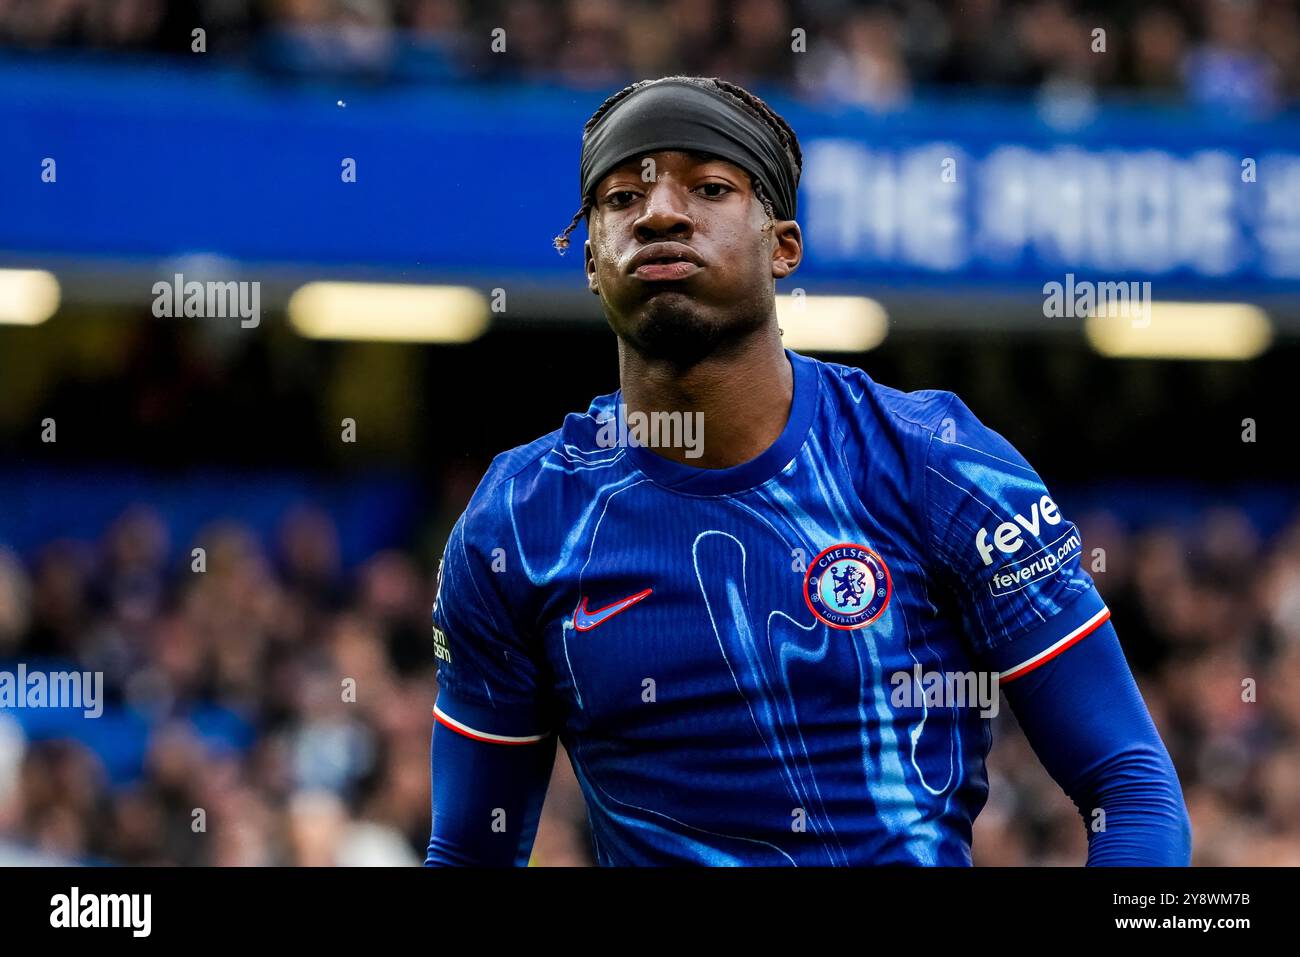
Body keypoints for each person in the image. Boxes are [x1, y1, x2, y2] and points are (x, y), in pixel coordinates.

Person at [425, 75, 1191, 866]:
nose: (658, 213)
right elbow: (468, 851)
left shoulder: (937, 462)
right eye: (621, 198)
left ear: (783, 246)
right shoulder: (518, 521)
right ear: (591, 258)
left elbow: (1128, 785)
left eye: (710, 186)